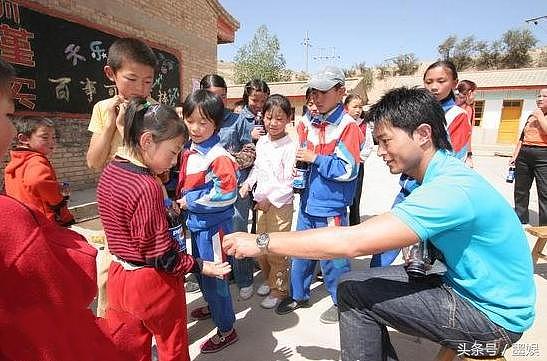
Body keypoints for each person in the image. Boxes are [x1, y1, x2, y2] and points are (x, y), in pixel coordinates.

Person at [224, 87, 535, 361]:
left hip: (492, 317)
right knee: (363, 281)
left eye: (386, 141)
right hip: (469, 283)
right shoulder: (442, 173)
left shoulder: (448, 190)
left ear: (423, 134)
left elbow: (351, 242)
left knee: (352, 292)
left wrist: (261, 242)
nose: (381, 152)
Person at [0, 60, 130, 360]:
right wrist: (61, 210)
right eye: (7, 114)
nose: (52, 144)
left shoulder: (13, 162)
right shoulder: (34, 171)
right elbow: (66, 288)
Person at [96, 97, 230, 361]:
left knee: (130, 348)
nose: (174, 161)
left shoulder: (111, 170)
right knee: (173, 346)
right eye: (172, 152)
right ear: (147, 141)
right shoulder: (146, 185)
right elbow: (163, 257)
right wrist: (202, 266)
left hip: (119, 275)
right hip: (152, 283)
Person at [275, 66, 363, 324]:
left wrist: (316, 158)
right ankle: (299, 294)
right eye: (314, 91)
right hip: (307, 201)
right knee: (301, 251)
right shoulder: (310, 121)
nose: (316, 97)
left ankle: (342, 302)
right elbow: (293, 142)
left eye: (324, 91)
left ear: (340, 92)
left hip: (331, 205)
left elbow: (348, 170)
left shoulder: (347, 127)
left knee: (334, 259)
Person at [371, 60, 472, 267]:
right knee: (384, 240)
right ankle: (374, 277)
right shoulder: (415, 111)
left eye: (441, 81)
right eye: (428, 82)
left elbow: (454, 156)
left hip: (433, 192)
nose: (434, 86)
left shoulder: (457, 116)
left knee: (427, 253)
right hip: (408, 188)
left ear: (454, 83)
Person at [85, 37, 158, 317]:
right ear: (111, 74)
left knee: (144, 266)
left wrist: (131, 127)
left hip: (144, 199)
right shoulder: (103, 108)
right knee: (109, 269)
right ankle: (111, 325)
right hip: (113, 202)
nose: (141, 88)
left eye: (148, 81)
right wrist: (112, 126)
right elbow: (93, 161)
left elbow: (160, 167)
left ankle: (146, 323)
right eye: (132, 79)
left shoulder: (152, 111)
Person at [178, 89, 239, 353]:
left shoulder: (217, 156)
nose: (195, 127)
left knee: (216, 280)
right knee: (201, 271)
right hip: (198, 226)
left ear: (216, 123)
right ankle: (213, 306)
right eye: (190, 120)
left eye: (204, 122)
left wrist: (189, 202)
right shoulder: (191, 149)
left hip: (212, 229)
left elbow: (227, 194)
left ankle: (227, 328)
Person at [240, 94, 296, 309]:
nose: (273, 123)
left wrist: (270, 201)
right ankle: (269, 280)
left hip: (279, 205)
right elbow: (258, 167)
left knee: (276, 249)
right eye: (269, 117)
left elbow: (289, 181)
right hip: (261, 203)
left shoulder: (290, 146)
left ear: (288, 119)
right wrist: (247, 184)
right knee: (261, 247)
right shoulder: (262, 141)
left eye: (279, 118)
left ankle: (279, 290)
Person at [230, 79, 270, 299]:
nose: (259, 104)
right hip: (243, 180)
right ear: (247, 97)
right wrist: (250, 138)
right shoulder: (237, 118)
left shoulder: (267, 116)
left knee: (259, 226)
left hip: (262, 180)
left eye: (263, 100)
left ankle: (258, 264)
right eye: (255, 100)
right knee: (239, 226)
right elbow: (234, 149)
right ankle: (243, 277)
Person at [4, 116, 74, 226]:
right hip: (43, 221)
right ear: (24, 139)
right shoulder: (36, 160)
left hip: (24, 219)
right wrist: (58, 200)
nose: (51, 142)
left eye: (53, 137)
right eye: (45, 137)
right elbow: (38, 181)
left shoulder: (15, 162)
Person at [511, 87, 547, 226]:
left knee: (544, 191)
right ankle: (520, 217)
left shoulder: (537, 115)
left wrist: (540, 116)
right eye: (538, 96)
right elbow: (522, 137)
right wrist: (515, 155)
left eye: (544, 96)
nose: (539, 99)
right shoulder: (531, 116)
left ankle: (544, 226)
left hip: (543, 155)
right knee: (521, 188)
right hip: (525, 153)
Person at [344, 94, 374, 226]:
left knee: (355, 197)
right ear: (346, 107)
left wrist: (358, 160)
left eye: (360, 107)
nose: (358, 110)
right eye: (354, 106)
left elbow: (368, 146)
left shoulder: (364, 125)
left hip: (357, 166)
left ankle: (354, 225)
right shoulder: (340, 123)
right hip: (341, 165)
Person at [456, 79, 477, 168]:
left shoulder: (452, 105)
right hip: (460, 151)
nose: (476, 95)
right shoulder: (467, 109)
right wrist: (469, 154)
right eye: (475, 92)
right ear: (469, 93)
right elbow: (467, 134)